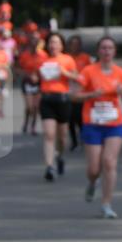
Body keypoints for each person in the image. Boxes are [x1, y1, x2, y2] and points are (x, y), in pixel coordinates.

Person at [73, 36, 122, 218]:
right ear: (98, 51)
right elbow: (74, 95)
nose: (107, 51)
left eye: (110, 48)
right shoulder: (89, 71)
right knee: (93, 169)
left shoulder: (121, 74)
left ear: (114, 52)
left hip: (114, 124)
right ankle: (92, 182)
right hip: (93, 124)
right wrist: (91, 94)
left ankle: (106, 204)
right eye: (103, 48)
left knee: (109, 162)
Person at [38, 32, 78, 181]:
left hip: (63, 99)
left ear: (61, 45)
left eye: (56, 42)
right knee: (49, 135)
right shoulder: (43, 60)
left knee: (62, 137)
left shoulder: (67, 59)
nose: (53, 45)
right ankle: (49, 166)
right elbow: (36, 77)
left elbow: (77, 77)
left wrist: (64, 73)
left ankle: (60, 156)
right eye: (51, 42)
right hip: (47, 99)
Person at [16, 30, 45, 135]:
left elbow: (47, 70)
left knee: (36, 107)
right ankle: (26, 122)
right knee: (29, 107)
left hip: (38, 83)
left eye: (36, 40)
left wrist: (39, 76)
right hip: (27, 82)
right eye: (32, 40)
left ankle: (33, 127)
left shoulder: (43, 56)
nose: (34, 42)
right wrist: (27, 74)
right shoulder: (24, 55)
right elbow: (17, 69)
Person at [67, 35, 92, 151]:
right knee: (70, 117)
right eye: (72, 44)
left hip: (82, 91)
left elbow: (90, 72)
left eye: (77, 44)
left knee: (80, 117)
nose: (75, 47)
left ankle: (83, 138)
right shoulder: (67, 58)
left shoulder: (85, 58)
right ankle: (74, 141)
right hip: (69, 90)